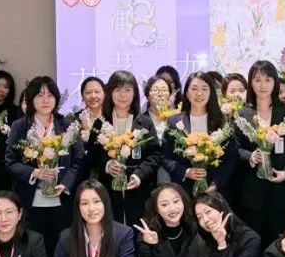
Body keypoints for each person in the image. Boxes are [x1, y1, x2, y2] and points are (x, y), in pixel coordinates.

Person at [5, 75, 79, 257]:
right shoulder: (20, 126)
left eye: (50, 95)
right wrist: (34, 172)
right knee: (32, 249)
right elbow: (10, 162)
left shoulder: (67, 125)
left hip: (60, 199)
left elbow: (79, 160)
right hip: (31, 200)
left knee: (60, 249)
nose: (46, 100)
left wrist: (66, 183)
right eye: (40, 95)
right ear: (30, 99)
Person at [234, 60, 285, 245]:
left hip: (280, 188)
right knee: (253, 239)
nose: (263, 85)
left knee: (278, 239)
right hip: (252, 190)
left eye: (267, 80)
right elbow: (236, 148)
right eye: (257, 80)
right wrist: (251, 156)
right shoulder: (243, 113)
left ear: (275, 82)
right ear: (250, 83)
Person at [93, 70, 162, 225]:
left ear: (134, 93)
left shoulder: (144, 122)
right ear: (110, 93)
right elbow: (93, 155)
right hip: (108, 191)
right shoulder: (100, 123)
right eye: (118, 90)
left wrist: (139, 175)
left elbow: (155, 155)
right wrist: (107, 165)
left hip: (138, 191)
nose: (123, 95)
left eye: (127, 90)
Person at [162, 72, 239, 198]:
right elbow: (166, 157)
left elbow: (231, 157)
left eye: (204, 89)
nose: (199, 93)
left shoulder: (223, 122)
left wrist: (216, 183)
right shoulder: (175, 122)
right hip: (184, 192)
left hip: (216, 192)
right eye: (194, 89)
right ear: (187, 93)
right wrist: (185, 171)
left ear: (211, 92)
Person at [132, 183, 197, 257]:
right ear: (157, 209)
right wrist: (154, 246)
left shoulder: (192, 227)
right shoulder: (148, 234)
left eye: (176, 201)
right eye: (164, 205)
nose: (172, 208)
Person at [143, 74, 175, 186]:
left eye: (164, 90)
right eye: (156, 90)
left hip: (174, 177)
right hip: (147, 178)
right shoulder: (139, 121)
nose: (160, 94)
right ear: (147, 95)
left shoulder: (177, 120)